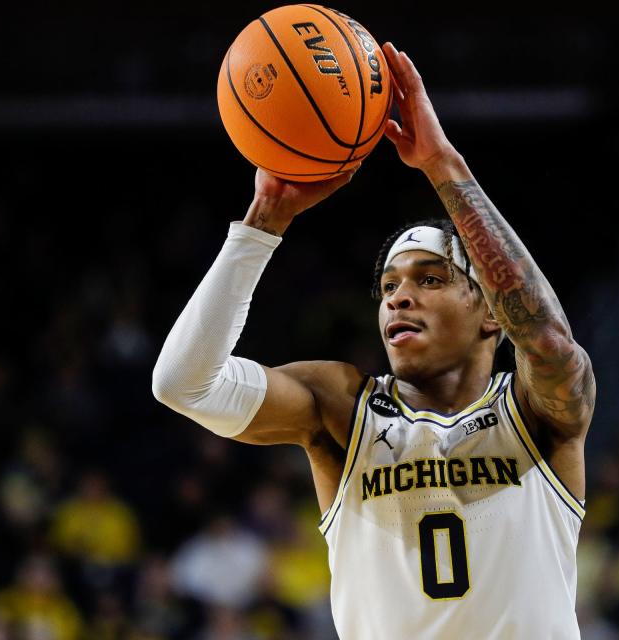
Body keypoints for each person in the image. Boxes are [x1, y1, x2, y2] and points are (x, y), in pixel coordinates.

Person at [153, 41, 595, 639]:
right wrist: (263, 224)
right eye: (388, 286)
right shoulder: (341, 408)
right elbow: (183, 383)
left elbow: (546, 340)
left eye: (430, 279)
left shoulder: (534, 413)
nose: (398, 297)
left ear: (492, 314)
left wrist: (441, 164)